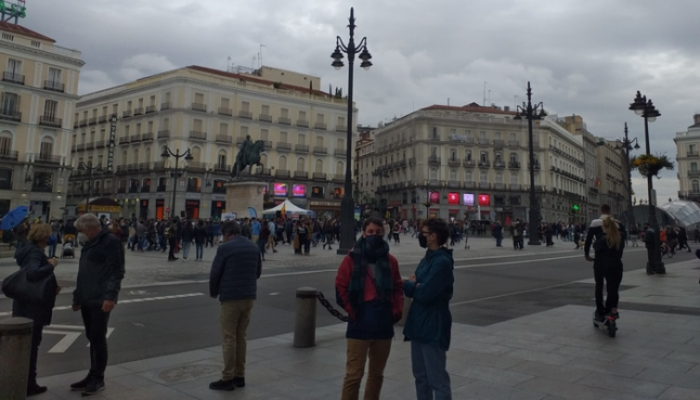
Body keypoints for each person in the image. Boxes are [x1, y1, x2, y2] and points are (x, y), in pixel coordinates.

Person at [335, 217, 403, 400]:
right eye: (371, 232)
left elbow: (397, 287)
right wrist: (352, 310)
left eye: (378, 232)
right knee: (353, 375)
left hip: (383, 324)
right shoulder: (351, 259)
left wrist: (396, 310)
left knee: (376, 375)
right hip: (359, 324)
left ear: (383, 233)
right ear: (363, 234)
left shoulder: (391, 261)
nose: (374, 235)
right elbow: (340, 287)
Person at [70, 214, 125, 396]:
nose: (79, 235)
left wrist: (110, 297)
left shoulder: (109, 241)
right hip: (87, 297)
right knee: (91, 336)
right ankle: (92, 374)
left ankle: (98, 377)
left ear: (91, 228)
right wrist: (77, 297)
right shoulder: (89, 244)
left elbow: (117, 270)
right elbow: (83, 271)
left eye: (80, 231)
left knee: (97, 337)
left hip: (101, 298)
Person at [403, 218, 454, 400]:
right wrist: (414, 285)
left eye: (423, 233)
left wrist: (412, 285)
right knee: (421, 376)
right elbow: (416, 284)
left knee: (437, 378)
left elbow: (424, 292)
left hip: (433, 324)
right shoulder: (428, 258)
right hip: (418, 323)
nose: (420, 236)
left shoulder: (442, 262)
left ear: (433, 236)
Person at [208, 221, 262, 391]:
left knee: (229, 337)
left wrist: (213, 291)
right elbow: (258, 272)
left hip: (231, 297)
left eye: (223, 235)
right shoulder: (253, 247)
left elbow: (215, 272)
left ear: (228, 234)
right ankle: (240, 375)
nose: (223, 238)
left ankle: (227, 378)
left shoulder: (225, 248)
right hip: (249, 297)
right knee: (241, 336)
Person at [12, 222, 60, 396]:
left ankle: (19, 380)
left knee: (25, 344)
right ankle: (29, 384)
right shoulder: (35, 252)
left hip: (22, 301)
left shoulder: (25, 249)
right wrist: (51, 265)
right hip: (33, 304)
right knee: (32, 345)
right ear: (43, 237)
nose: (50, 239)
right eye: (48, 236)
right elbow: (32, 274)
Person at [584, 204, 626, 322]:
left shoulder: (595, 224)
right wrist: (620, 224)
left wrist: (587, 254)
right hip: (617, 263)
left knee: (599, 285)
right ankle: (611, 309)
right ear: (610, 212)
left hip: (600, 261)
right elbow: (624, 233)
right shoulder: (619, 229)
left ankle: (600, 310)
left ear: (600, 211)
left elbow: (589, 241)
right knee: (613, 288)